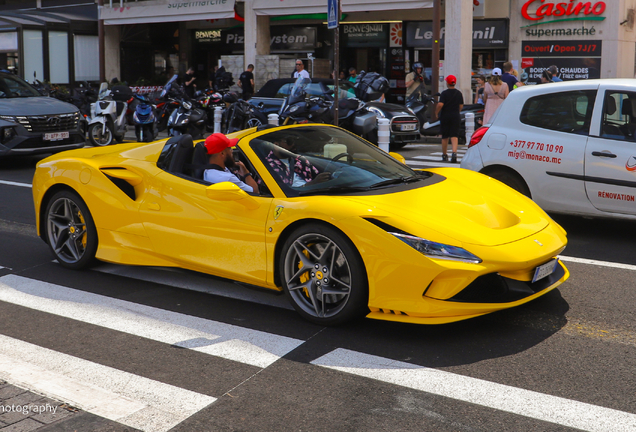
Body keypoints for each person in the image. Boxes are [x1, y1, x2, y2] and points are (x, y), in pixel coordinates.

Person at [265, 137, 331, 187]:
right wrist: (313, 183)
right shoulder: (266, 165)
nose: (293, 145)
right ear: (276, 145)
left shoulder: (300, 160)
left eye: (295, 141)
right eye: (289, 142)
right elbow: (284, 192)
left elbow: (318, 176)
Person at [435, 75, 464, 163]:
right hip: (455, 115)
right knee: (454, 135)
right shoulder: (459, 93)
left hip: (445, 116)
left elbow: (440, 104)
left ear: (447, 83)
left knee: (445, 136)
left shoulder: (444, 93)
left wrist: (436, 112)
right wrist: (457, 111)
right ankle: (454, 153)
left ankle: (444, 155)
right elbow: (461, 105)